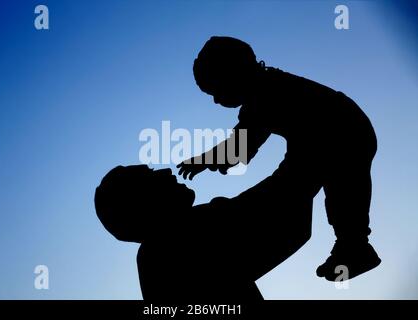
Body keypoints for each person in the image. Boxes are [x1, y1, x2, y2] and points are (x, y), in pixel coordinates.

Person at [177, 36, 381, 281]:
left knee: (299, 191)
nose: (216, 100)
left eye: (216, 91)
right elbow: (240, 149)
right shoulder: (267, 88)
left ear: (234, 73)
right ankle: (353, 245)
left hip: (337, 134)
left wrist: (205, 160)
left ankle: (353, 246)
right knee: (325, 192)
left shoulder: (264, 95)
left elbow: (239, 150)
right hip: (331, 134)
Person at [94, 164, 313, 300]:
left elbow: (288, 219)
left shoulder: (157, 255)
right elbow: (282, 203)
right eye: (150, 175)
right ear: (141, 203)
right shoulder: (174, 240)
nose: (166, 170)